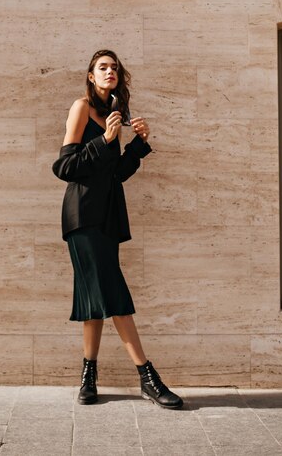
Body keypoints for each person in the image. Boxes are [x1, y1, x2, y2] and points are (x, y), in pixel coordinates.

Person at [52, 49, 183, 410]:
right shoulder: (82, 108)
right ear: (91, 76)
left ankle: (88, 379)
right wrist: (105, 141)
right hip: (83, 217)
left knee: (94, 300)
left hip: (107, 218)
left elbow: (117, 174)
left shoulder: (113, 114)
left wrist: (138, 144)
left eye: (114, 67)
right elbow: (63, 167)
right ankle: (148, 377)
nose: (110, 71)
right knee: (114, 296)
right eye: (102, 67)